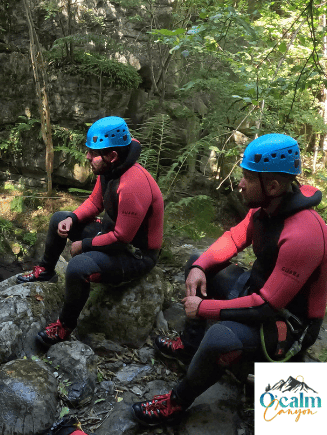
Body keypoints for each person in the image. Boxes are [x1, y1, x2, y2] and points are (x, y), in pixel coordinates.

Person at [133, 134, 327, 426]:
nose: (239, 183)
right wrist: (199, 266)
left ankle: (177, 401)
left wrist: (202, 308)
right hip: (260, 291)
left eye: (247, 178)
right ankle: (189, 345)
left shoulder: (304, 234)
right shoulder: (267, 209)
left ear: (272, 186)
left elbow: (265, 306)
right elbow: (235, 239)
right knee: (197, 263)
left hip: (289, 323)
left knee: (219, 336)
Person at [18, 116, 164, 347]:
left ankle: (65, 326)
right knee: (59, 218)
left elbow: (122, 238)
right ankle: (46, 270)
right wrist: (73, 219)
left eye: (92, 153)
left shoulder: (133, 185)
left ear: (112, 155)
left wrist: (84, 245)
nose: (87, 156)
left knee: (78, 267)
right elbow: (95, 203)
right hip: (114, 235)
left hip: (135, 253)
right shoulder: (110, 169)